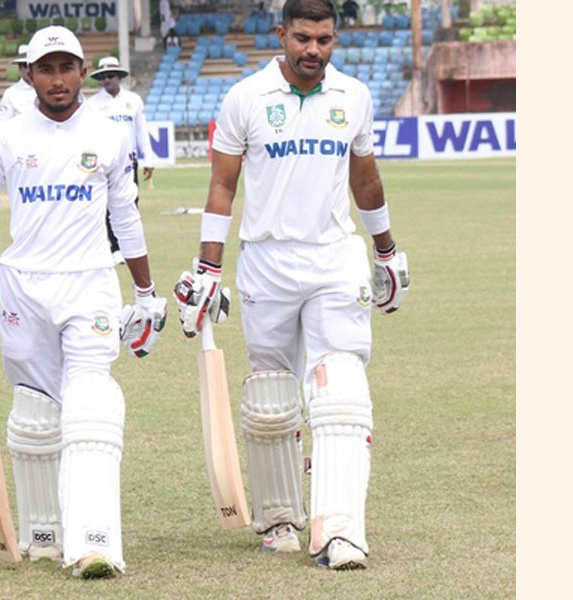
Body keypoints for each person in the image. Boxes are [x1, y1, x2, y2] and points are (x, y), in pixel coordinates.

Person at [173, 0, 409, 572]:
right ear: (281, 34)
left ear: (335, 39)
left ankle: (341, 531)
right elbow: (222, 186)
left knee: (342, 386)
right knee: (272, 397)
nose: (313, 50)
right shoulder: (246, 97)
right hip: (267, 261)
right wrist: (208, 267)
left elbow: (365, 179)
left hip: (334, 258)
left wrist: (386, 251)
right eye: (303, 38)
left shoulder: (353, 96)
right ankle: (279, 518)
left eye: (324, 40)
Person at [0, 25, 167, 580]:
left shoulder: (108, 134)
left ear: (83, 72)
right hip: (24, 285)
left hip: (90, 284)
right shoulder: (8, 136)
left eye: (66, 68)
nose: (57, 79)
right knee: (36, 414)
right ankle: (44, 534)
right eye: (46, 69)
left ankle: (94, 542)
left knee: (90, 403)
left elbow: (125, 216)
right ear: (28, 74)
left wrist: (145, 292)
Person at [87, 56, 155, 265]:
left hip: (128, 161)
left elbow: (141, 131)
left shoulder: (133, 100)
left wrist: (148, 159)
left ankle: (129, 245)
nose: (107, 80)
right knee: (106, 204)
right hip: (104, 162)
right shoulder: (92, 104)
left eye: (110, 75)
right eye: (103, 77)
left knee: (130, 201)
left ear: (119, 77)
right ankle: (115, 247)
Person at [0, 45, 38, 121]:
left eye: (31, 65)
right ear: (20, 68)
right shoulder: (11, 93)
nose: (29, 70)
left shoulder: (46, 90)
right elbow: (2, 123)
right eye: (25, 66)